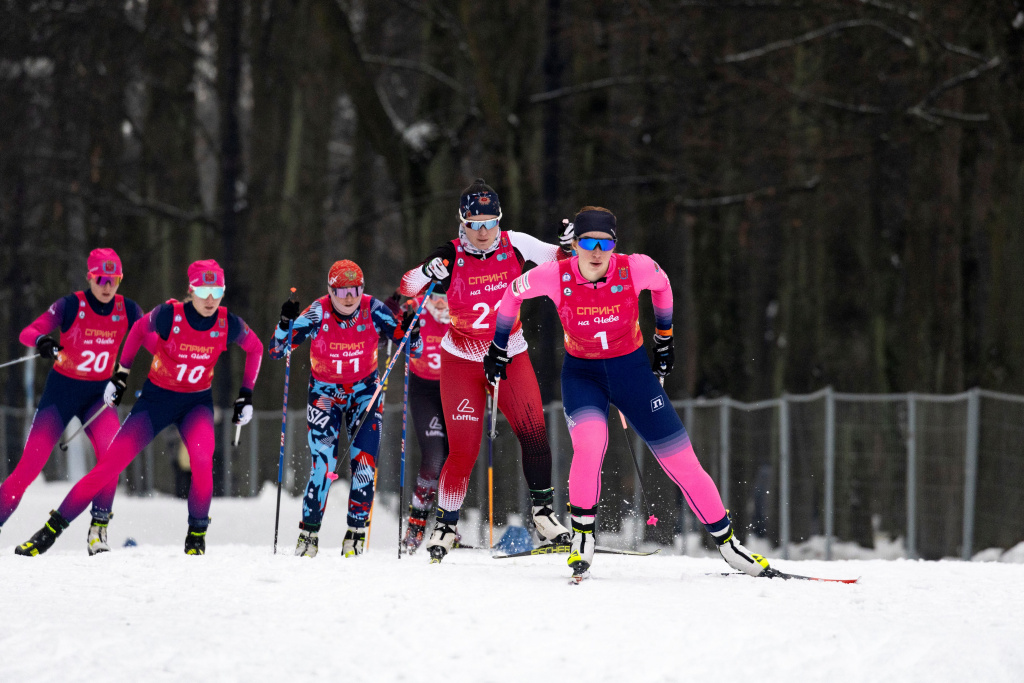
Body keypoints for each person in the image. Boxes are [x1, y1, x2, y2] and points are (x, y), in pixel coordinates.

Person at [489, 206, 773, 579]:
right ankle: (583, 536)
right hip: (583, 375)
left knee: (683, 462)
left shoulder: (634, 267)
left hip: (633, 374)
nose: (596, 251)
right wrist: (498, 346)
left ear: (614, 245)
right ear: (574, 244)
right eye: (588, 242)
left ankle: (728, 543)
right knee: (591, 443)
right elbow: (511, 295)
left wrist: (665, 338)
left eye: (604, 243)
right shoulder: (555, 276)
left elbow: (664, 286)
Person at [15, 259, 263, 556]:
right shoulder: (170, 315)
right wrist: (121, 375)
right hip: (156, 401)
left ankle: (196, 536)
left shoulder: (227, 323)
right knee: (109, 466)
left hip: (196, 404)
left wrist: (246, 394)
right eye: (202, 289)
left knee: (201, 461)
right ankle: (50, 531)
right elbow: (136, 331)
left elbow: (256, 348)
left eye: (217, 290)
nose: (210, 298)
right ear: (190, 289)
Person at [398, 178, 573, 562]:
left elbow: (562, 263)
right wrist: (430, 269)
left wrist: (569, 246)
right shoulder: (452, 253)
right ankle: (445, 525)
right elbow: (407, 285)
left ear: (499, 220)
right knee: (462, 450)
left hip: (510, 351)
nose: (481, 232)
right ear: (462, 222)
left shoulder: (515, 243)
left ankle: (543, 516)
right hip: (461, 359)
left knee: (535, 434)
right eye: (473, 224)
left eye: (488, 222)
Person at [271, 260, 421, 558]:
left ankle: (355, 533)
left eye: (355, 290)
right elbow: (279, 350)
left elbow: (411, 346)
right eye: (341, 292)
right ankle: (309, 533)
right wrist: (284, 324)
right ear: (331, 291)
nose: (349, 297)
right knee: (323, 465)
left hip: (365, 395)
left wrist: (410, 325)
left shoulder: (374, 309)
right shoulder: (317, 312)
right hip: (325, 396)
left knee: (364, 465)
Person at [0, 248, 144, 554]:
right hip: (61, 393)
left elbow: (154, 336)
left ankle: (98, 530)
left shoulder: (128, 309)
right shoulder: (71, 305)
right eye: (101, 279)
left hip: (98, 397)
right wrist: (42, 341)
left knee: (111, 458)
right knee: (29, 467)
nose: (107, 286)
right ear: (90, 277)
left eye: (114, 279)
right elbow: (30, 332)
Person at [385, 291, 451, 553]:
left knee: (454, 460)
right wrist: (394, 303)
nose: (442, 303)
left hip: (455, 389)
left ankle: (448, 526)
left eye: (448, 295)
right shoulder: (418, 306)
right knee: (434, 458)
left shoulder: (461, 310)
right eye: (437, 296)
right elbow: (387, 323)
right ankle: (415, 527)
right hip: (424, 390)